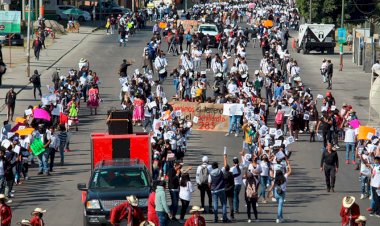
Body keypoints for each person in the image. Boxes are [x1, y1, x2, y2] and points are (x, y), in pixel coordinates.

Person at [268, 158, 292, 223]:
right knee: (280, 206)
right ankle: (278, 218)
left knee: (279, 205)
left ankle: (281, 217)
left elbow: (272, 186)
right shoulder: (285, 177)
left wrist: (269, 192)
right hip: (282, 193)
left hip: (276, 193)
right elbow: (290, 171)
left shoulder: (275, 179)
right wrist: (289, 164)